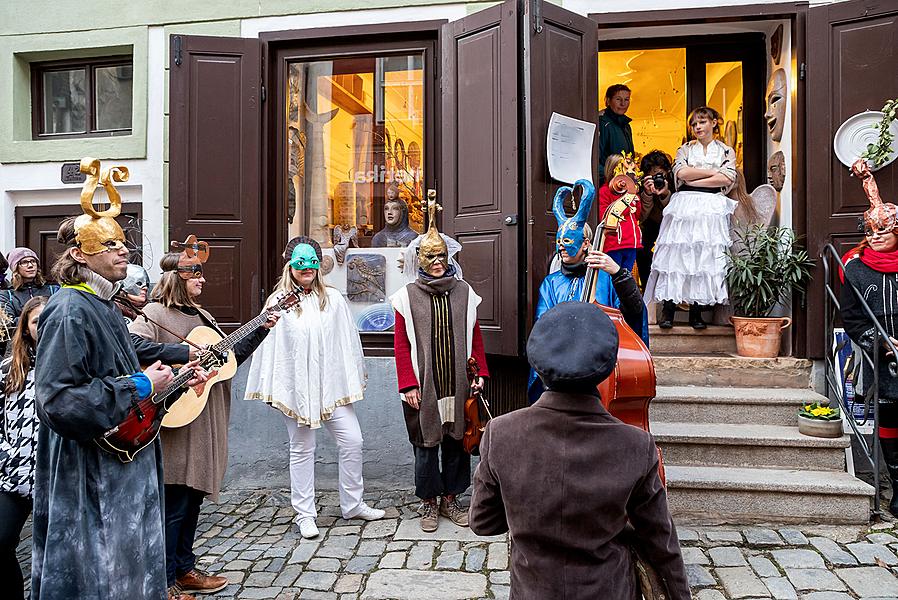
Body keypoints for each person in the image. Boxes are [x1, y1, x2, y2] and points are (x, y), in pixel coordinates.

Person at [31, 159, 204, 600]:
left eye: (122, 242)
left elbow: (128, 354)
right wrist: (142, 386)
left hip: (121, 466)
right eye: (107, 244)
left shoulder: (103, 304)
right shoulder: (69, 309)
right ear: (78, 254)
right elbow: (59, 401)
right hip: (92, 474)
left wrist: (180, 363)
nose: (122, 250)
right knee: (97, 574)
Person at [470, 302, 690, 600]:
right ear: (610, 368)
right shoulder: (636, 445)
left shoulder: (501, 433)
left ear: (538, 366)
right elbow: (660, 540)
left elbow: (483, 522)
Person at [129, 243, 277, 599]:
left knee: (192, 497)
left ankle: (185, 567)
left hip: (205, 417)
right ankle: (164, 583)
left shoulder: (202, 317)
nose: (203, 279)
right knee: (175, 503)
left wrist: (261, 327)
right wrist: (183, 353)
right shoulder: (154, 313)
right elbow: (131, 344)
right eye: (196, 273)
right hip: (177, 420)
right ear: (176, 277)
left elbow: (228, 359)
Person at [245, 237, 385, 540]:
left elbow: (347, 343)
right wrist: (275, 388)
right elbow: (270, 349)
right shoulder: (277, 302)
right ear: (290, 265)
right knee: (302, 448)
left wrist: (348, 379)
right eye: (300, 263)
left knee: (352, 441)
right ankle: (305, 514)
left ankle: (352, 503)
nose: (306, 269)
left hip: (330, 386)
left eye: (311, 263)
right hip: (297, 389)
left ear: (318, 265)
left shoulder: (334, 300)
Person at [391, 200, 489, 533]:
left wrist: (480, 376)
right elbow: (401, 345)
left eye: (441, 256)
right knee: (425, 446)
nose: (437, 263)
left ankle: (451, 499)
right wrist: (407, 384)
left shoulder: (464, 292)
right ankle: (429, 503)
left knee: (456, 442)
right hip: (425, 385)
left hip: (458, 383)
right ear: (419, 259)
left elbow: (475, 338)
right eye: (430, 257)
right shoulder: (406, 297)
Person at [528, 178, 648, 404]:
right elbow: (543, 328)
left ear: (586, 243)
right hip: (561, 368)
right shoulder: (551, 283)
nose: (561, 246)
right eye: (558, 241)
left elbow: (634, 313)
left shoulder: (606, 278)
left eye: (568, 240)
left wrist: (618, 273)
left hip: (602, 368)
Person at [643, 106, 737, 330]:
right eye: (694, 124)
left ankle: (696, 311)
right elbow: (681, 174)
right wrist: (712, 173)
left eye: (702, 122)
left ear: (714, 122)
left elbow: (728, 178)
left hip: (712, 207)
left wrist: (696, 179)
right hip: (685, 205)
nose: (697, 127)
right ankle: (669, 309)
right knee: (677, 256)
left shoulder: (726, 151)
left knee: (702, 258)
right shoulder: (684, 149)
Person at [841, 159, 898, 518]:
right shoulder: (855, 267)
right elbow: (852, 316)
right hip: (882, 355)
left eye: (884, 231)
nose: (876, 236)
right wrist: (881, 342)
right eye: (871, 231)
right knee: (890, 417)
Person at [0, 296, 47, 599]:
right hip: (13, 474)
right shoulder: (9, 369)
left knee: (54, 555)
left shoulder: (71, 366)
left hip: (56, 477)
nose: (43, 326)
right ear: (26, 328)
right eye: (36, 321)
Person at [636, 150, 674, 292]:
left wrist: (665, 193)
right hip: (650, 224)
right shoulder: (640, 187)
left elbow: (674, 212)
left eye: (660, 174)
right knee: (641, 249)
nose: (657, 179)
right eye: (652, 176)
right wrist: (647, 194)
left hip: (671, 226)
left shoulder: (673, 182)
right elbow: (641, 217)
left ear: (667, 172)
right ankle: (647, 288)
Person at [598, 154, 643, 274]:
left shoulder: (631, 192)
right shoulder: (605, 191)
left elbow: (637, 215)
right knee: (614, 278)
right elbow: (604, 215)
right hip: (615, 244)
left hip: (631, 243)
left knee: (626, 277)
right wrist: (627, 203)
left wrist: (635, 198)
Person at [1, 247, 59, 331]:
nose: (30, 265)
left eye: (33, 261)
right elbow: (9, 323)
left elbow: (60, 314)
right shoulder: (7, 295)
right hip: (21, 341)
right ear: (15, 267)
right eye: (24, 262)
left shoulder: (53, 290)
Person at [598, 84, 634, 184]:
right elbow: (596, 159)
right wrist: (608, 177)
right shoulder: (602, 123)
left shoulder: (626, 125)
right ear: (608, 100)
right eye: (618, 99)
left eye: (626, 99)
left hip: (622, 182)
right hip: (607, 183)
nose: (623, 103)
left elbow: (630, 156)